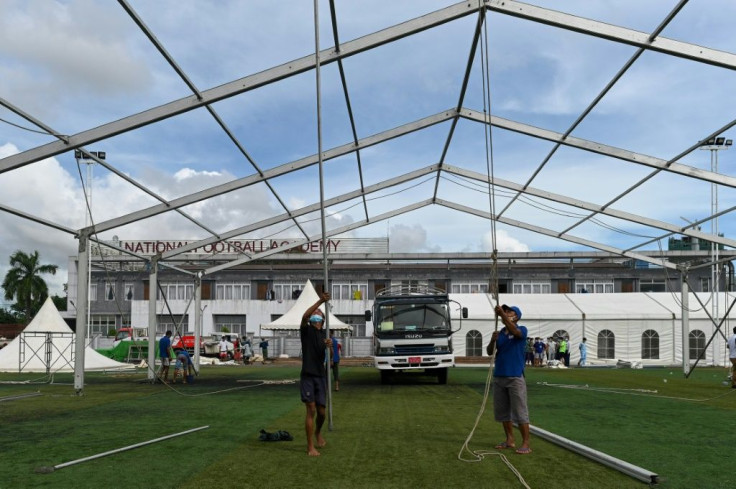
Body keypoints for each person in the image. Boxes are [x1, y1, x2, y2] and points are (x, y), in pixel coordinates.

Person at [486, 304, 531, 455]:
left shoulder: (521, 329)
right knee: (503, 412)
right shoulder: (501, 333)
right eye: (505, 311)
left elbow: (516, 332)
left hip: (515, 376)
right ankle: (509, 440)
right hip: (500, 375)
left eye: (509, 311)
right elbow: (489, 352)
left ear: (516, 316)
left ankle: (526, 443)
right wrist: (493, 340)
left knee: (520, 411)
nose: (506, 313)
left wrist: (502, 316)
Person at [300, 292, 332, 456]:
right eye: (315, 313)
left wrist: (330, 346)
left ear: (322, 320)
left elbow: (331, 360)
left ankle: (318, 432)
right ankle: (310, 446)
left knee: (321, 413)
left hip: (320, 376)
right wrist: (320, 300)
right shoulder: (306, 330)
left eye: (319, 313)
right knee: (311, 409)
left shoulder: (325, 335)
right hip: (308, 375)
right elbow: (305, 316)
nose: (316, 313)